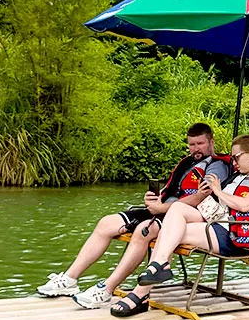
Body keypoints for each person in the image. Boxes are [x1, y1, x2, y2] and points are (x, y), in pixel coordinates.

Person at [35, 123, 231, 309]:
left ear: (211, 142)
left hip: (184, 217)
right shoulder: (187, 163)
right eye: (191, 144)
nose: (195, 148)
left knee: (142, 231)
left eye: (200, 144)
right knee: (106, 223)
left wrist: (162, 208)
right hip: (163, 208)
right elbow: (173, 189)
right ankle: (69, 279)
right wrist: (154, 199)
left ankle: (107, 289)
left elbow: (203, 198)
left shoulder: (217, 166)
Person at [110, 134, 249, 317]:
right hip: (213, 220)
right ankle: (160, 264)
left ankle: (141, 293)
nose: (234, 162)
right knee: (177, 208)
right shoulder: (239, 176)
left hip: (231, 233)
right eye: (232, 158)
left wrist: (217, 190)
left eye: (237, 157)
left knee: (170, 234)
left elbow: (244, 205)